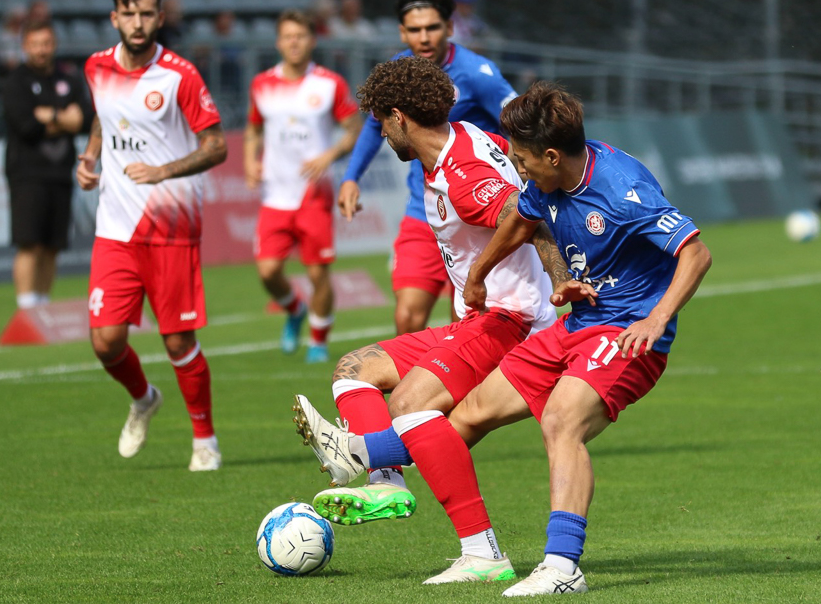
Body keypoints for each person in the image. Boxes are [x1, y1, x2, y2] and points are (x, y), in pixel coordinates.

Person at [300, 82, 712, 596]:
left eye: (522, 159)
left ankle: (562, 567)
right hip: (577, 324)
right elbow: (521, 218)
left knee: (561, 421)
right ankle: (376, 464)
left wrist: (657, 319)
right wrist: (480, 274)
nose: (516, 168)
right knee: (468, 415)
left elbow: (695, 252)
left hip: (625, 332)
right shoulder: (548, 179)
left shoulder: (620, 187)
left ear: (552, 156)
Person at [292, 57, 568, 585]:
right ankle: (385, 481)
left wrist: (529, 278)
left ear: (399, 118)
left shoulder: (461, 174)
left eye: (381, 122)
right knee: (355, 369)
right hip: (482, 317)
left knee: (409, 404)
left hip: (511, 318)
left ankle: (483, 554)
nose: (381, 132)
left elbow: (521, 212)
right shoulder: (461, 139)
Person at [76, 0, 228, 472]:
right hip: (115, 226)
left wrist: (163, 171)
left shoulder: (180, 75)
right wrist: (90, 156)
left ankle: (204, 439)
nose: (137, 23)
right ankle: (143, 398)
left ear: (159, 18)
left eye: (146, 14)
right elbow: (103, 116)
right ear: (115, 17)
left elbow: (216, 146)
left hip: (171, 225)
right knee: (105, 341)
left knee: (178, 341)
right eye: (129, 13)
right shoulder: (96, 66)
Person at [337, 0, 517, 335]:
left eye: (432, 27)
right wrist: (350, 177)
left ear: (449, 27)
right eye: (415, 29)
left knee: (466, 323)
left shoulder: (477, 73)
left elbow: (520, 122)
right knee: (407, 318)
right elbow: (374, 127)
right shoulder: (397, 72)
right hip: (423, 211)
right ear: (402, 32)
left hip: (473, 216)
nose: (424, 37)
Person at [244, 10, 363, 361]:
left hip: (314, 195)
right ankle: (295, 309)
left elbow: (354, 129)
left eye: (300, 36)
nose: (293, 42)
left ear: (312, 40)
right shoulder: (262, 84)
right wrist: (249, 160)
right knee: (268, 271)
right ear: (278, 42)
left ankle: (318, 341)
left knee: (317, 273)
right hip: (275, 195)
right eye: (287, 36)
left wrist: (331, 154)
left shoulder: (329, 84)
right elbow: (253, 128)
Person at [1, 19, 91, 309]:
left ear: (54, 44)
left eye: (46, 43)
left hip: (61, 173)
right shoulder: (15, 82)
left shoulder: (69, 79)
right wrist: (64, 118)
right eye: (35, 44)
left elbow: (86, 120)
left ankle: (43, 306)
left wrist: (48, 117)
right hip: (27, 174)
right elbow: (27, 126)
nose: (41, 50)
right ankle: (27, 308)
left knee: (53, 245)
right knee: (30, 243)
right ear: (25, 46)